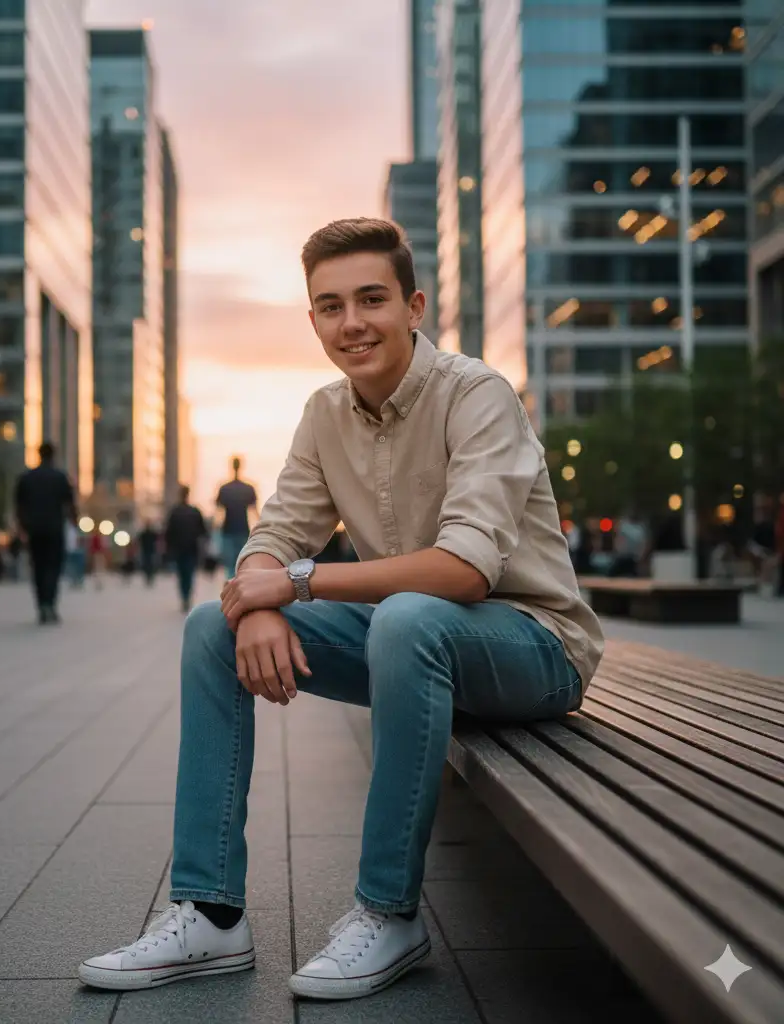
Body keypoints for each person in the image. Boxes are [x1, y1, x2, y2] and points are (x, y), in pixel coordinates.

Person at [79, 218, 604, 1001]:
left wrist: (293, 585)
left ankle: (389, 913)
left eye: (371, 299)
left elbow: (463, 570)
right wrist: (254, 606)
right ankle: (211, 913)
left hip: (532, 647)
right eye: (330, 306)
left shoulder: (478, 394)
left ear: (414, 305)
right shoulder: (325, 413)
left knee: (407, 616)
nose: (351, 323)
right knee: (208, 629)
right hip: (417, 642)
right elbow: (275, 533)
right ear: (314, 319)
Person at [14, 441, 75, 624]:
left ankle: (41, 604)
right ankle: (50, 603)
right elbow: (70, 503)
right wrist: (74, 521)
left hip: (35, 529)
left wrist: (22, 527)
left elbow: (19, 505)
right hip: (55, 528)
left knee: (38, 567)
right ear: (53, 455)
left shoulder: (27, 478)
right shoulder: (60, 477)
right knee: (53, 567)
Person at [163, 485, 208, 612]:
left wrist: (169, 548)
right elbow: (203, 531)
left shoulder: (175, 511)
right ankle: (187, 596)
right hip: (191, 548)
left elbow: (168, 532)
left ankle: (184, 597)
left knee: (182, 574)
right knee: (189, 573)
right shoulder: (194, 511)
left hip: (179, 549)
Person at [216, 457, 258, 578]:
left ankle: (232, 586)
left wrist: (215, 531)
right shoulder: (248, 488)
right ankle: (240, 587)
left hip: (227, 530)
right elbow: (255, 512)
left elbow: (218, 512)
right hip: (243, 530)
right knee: (242, 564)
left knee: (229, 565)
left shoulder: (224, 488)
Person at [138, 521, 161, 587]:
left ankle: (149, 577)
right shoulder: (145, 534)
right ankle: (149, 577)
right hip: (148, 551)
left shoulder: (147, 533)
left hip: (149, 551)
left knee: (149, 564)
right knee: (148, 564)